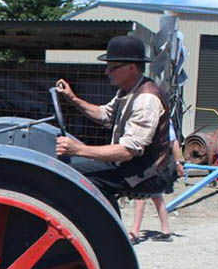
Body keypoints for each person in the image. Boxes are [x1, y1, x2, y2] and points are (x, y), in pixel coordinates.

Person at [54, 35, 173, 215]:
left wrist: (78, 149)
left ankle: (103, 232)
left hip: (149, 171)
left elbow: (127, 151)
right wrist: (72, 97)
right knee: (68, 171)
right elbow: (104, 115)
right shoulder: (126, 92)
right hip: (130, 164)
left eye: (113, 68)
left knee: (82, 180)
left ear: (132, 68)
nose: (106, 72)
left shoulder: (146, 99)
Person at [128, 122, 185, 243]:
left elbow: (173, 142)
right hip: (157, 164)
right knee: (157, 197)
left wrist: (177, 163)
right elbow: (174, 142)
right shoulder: (166, 121)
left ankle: (135, 233)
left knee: (140, 195)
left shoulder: (159, 120)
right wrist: (177, 163)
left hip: (152, 164)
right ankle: (166, 231)